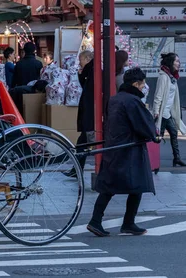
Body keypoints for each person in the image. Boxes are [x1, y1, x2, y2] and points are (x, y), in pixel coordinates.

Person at [88, 68, 159, 237]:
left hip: (115, 146)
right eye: (142, 84)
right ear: (136, 84)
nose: (143, 87)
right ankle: (126, 222)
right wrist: (153, 132)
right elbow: (143, 125)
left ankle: (98, 220)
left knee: (109, 186)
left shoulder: (115, 99)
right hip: (129, 149)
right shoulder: (133, 101)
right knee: (138, 184)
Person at [152, 52, 186, 167]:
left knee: (173, 133)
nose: (179, 63)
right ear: (170, 63)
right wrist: (156, 112)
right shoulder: (163, 77)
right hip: (162, 114)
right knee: (158, 138)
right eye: (176, 61)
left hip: (168, 114)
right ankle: (152, 160)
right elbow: (158, 96)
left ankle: (176, 158)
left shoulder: (172, 77)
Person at [63, 50, 95, 178]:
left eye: (81, 59)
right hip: (89, 113)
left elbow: (85, 87)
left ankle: (76, 170)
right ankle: (76, 170)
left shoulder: (90, 69)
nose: (79, 63)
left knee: (83, 143)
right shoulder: (90, 70)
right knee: (82, 143)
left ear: (87, 58)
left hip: (90, 113)